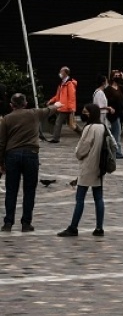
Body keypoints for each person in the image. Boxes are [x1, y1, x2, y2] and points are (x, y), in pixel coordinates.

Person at [0, 94, 59, 232]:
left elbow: (1, 143)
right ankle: (26, 223)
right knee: (29, 190)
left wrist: (1, 162)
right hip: (31, 155)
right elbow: (50, 110)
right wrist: (58, 104)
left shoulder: (6, 119)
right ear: (25, 103)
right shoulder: (34, 113)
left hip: (12, 155)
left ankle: (8, 222)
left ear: (11, 105)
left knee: (11, 190)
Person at [57, 103, 109, 237]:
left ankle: (73, 227)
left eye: (86, 112)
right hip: (100, 167)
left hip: (87, 167)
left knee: (80, 197)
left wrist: (78, 153)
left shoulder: (89, 127)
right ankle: (99, 228)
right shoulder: (103, 127)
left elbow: (81, 150)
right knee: (99, 198)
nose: (84, 113)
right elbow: (112, 145)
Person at [46, 66, 78, 142]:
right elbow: (58, 95)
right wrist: (51, 100)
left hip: (66, 108)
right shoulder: (62, 84)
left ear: (65, 73)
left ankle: (55, 138)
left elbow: (71, 96)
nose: (60, 73)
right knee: (71, 124)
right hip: (63, 107)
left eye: (61, 71)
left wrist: (71, 108)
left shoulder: (69, 83)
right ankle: (83, 133)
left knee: (58, 122)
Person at [104, 70, 123, 159]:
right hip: (113, 114)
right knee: (117, 132)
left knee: (115, 132)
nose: (117, 77)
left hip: (120, 113)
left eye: (119, 76)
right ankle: (117, 152)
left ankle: (111, 150)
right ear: (112, 77)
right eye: (116, 76)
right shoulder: (108, 89)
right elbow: (106, 101)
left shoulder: (120, 87)